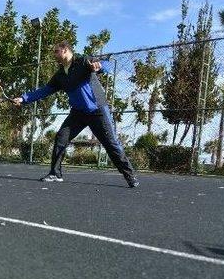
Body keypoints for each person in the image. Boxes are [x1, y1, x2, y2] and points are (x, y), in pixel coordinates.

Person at [13, 40, 139, 188]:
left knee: (110, 144)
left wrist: (100, 66)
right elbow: (44, 90)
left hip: (97, 110)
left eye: (56, 51)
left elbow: (105, 64)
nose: (54, 54)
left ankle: (130, 176)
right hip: (78, 113)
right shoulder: (60, 75)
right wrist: (23, 98)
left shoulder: (83, 61)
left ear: (65, 50)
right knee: (61, 137)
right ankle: (55, 173)